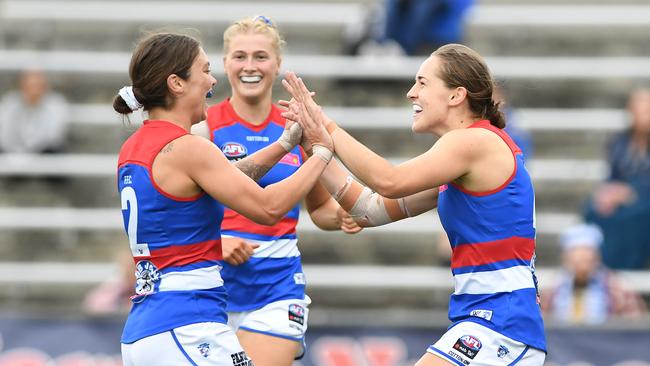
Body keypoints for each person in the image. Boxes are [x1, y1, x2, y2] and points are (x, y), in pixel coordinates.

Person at [281, 43, 546, 365]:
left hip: (502, 323)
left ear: (456, 95)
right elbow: (368, 210)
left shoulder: (474, 142)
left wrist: (326, 125)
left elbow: (389, 181)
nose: (411, 93)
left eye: (422, 83)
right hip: (490, 319)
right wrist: (315, 147)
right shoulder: (463, 157)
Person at [114, 32, 334, 365]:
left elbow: (226, 175)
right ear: (176, 83)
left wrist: (286, 143)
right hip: (186, 324)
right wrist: (321, 153)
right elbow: (268, 207)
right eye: (203, 70)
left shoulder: (137, 146)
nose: (211, 80)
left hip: (148, 327)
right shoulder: (189, 147)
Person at [191, 16, 361, 366]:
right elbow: (176, 209)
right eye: (240, 56)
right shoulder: (204, 126)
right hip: (211, 289)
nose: (249, 66)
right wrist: (214, 243)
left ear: (278, 64)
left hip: (277, 289)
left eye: (260, 56)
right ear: (225, 64)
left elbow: (321, 210)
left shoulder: (299, 128)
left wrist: (344, 216)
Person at [584, 88, 650, 269]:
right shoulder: (619, 142)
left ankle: (626, 266)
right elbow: (613, 176)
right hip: (623, 195)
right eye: (641, 110)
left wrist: (631, 191)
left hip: (645, 198)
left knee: (631, 216)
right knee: (593, 209)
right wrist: (607, 193)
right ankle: (600, 266)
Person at [541, 223, 646, 324]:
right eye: (576, 254)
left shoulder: (617, 288)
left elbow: (635, 328)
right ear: (565, 258)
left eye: (588, 253)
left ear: (597, 257)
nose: (583, 258)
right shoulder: (552, 289)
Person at [0, 69, 69, 153]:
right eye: (29, 86)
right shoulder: (10, 103)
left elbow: (52, 136)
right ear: (22, 86)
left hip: (43, 153)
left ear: (45, 87)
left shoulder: (56, 104)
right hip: (12, 153)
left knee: (57, 149)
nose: (34, 90)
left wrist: (30, 151)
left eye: (37, 86)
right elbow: (4, 135)